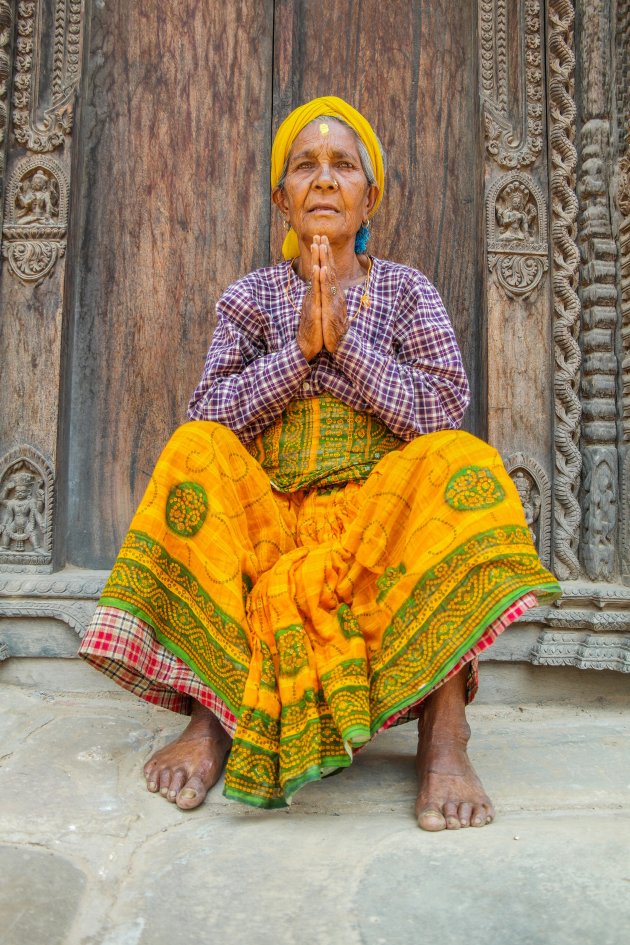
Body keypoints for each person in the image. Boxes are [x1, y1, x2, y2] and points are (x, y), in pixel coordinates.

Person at [79, 96, 560, 830]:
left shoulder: (406, 292)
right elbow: (210, 411)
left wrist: (348, 349)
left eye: (343, 167)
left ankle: (444, 730)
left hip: (372, 525)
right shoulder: (252, 296)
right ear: (282, 198)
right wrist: (298, 352)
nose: (325, 180)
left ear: (373, 196)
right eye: (306, 166)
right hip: (270, 513)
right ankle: (213, 714)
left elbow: (440, 411)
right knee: (192, 452)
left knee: (464, 463)